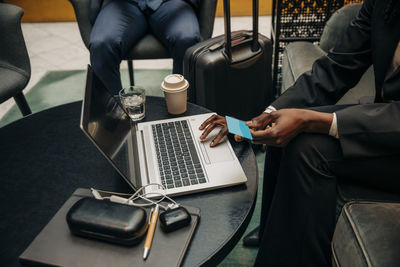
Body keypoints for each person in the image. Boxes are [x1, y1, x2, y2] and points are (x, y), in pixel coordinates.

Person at [199, 0, 400, 265]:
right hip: (385, 119)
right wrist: (263, 118)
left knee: (308, 149)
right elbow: (336, 68)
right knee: (283, 127)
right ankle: (275, 230)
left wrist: (310, 121)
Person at [89, 0, 200, 95]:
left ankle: (183, 110)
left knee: (187, 39)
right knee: (101, 44)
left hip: (171, 3)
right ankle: (112, 115)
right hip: (121, 4)